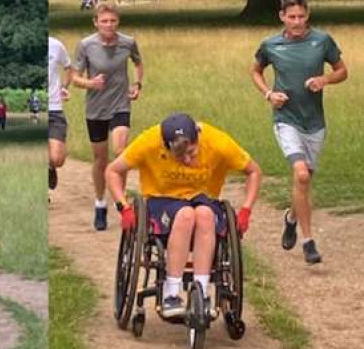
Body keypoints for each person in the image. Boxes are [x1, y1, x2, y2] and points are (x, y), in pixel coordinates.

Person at [105, 114, 261, 316]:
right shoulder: (150, 142)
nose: (187, 160)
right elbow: (113, 170)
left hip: (204, 197)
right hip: (163, 199)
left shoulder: (218, 142)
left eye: (191, 152)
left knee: (204, 216)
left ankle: (202, 291)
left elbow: (254, 171)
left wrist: (246, 210)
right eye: (179, 157)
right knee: (186, 215)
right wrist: (123, 207)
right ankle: (172, 293)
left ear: (198, 135)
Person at [250, 0, 346, 264]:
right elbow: (256, 71)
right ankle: (308, 241)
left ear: (308, 15)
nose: (297, 22)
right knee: (301, 176)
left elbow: (342, 70)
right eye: (291, 17)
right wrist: (269, 94)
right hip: (286, 119)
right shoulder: (270, 45)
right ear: (282, 16)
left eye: (301, 17)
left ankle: (291, 218)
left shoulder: (322, 41)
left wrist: (324, 79)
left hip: (314, 123)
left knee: (305, 182)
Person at [72, 3, 144, 231]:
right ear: (95, 22)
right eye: (104, 21)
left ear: (118, 22)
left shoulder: (128, 42)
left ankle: (121, 203)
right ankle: (100, 202)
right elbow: (75, 77)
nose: (108, 25)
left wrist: (137, 84)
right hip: (95, 108)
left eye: (112, 21)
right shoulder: (86, 45)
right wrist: (90, 83)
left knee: (120, 152)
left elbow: (138, 62)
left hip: (120, 104)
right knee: (100, 159)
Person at [49, 37, 74, 191]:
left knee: (57, 159)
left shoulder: (56, 45)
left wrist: (64, 87)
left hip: (54, 107)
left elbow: (68, 67)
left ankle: (50, 166)